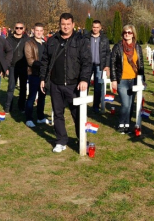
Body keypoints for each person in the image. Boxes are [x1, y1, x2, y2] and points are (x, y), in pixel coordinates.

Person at [40, 13, 92, 153]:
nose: (66, 27)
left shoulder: (81, 41)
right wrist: (43, 79)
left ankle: (82, 140)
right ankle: (61, 140)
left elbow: (87, 62)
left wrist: (84, 79)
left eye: (68, 24)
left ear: (73, 25)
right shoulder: (52, 41)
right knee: (58, 114)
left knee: (78, 115)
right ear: (60, 24)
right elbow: (45, 61)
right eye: (63, 24)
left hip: (74, 85)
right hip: (56, 84)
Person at [110, 24, 146, 134]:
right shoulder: (118, 47)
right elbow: (112, 64)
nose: (127, 34)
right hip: (122, 80)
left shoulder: (137, 47)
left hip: (134, 80)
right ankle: (121, 124)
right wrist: (114, 80)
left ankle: (127, 125)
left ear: (133, 34)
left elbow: (141, 64)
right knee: (125, 104)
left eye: (129, 32)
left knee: (130, 104)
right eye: (125, 32)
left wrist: (142, 79)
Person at [24, 23, 50, 127]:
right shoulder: (29, 43)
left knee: (42, 96)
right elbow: (30, 60)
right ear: (33, 31)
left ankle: (40, 117)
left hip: (43, 75)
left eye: (41, 30)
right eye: (37, 30)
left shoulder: (45, 43)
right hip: (33, 73)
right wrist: (43, 65)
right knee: (32, 96)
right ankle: (29, 118)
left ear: (43, 31)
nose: (39, 32)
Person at [85, 20, 111, 113]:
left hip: (100, 65)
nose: (95, 29)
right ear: (92, 27)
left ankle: (96, 106)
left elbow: (108, 53)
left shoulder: (104, 39)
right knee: (85, 84)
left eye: (97, 27)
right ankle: (83, 105)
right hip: (87, 65)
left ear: (100, 28)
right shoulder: (86, 38)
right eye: (94, 27)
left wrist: (107, 65)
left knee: (97, 86)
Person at [5, 22, 30, 113]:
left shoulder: (27, 39)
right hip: (12, 66)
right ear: (14, 28)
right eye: (17, 28)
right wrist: (6, 66)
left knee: (23, 88)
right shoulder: (8, 39)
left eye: (20, 28)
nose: (19, 29)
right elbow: (5, 52)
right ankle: (8, 107)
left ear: (23, 29)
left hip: (23, 66)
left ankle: (21, 106)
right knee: (11, 87)